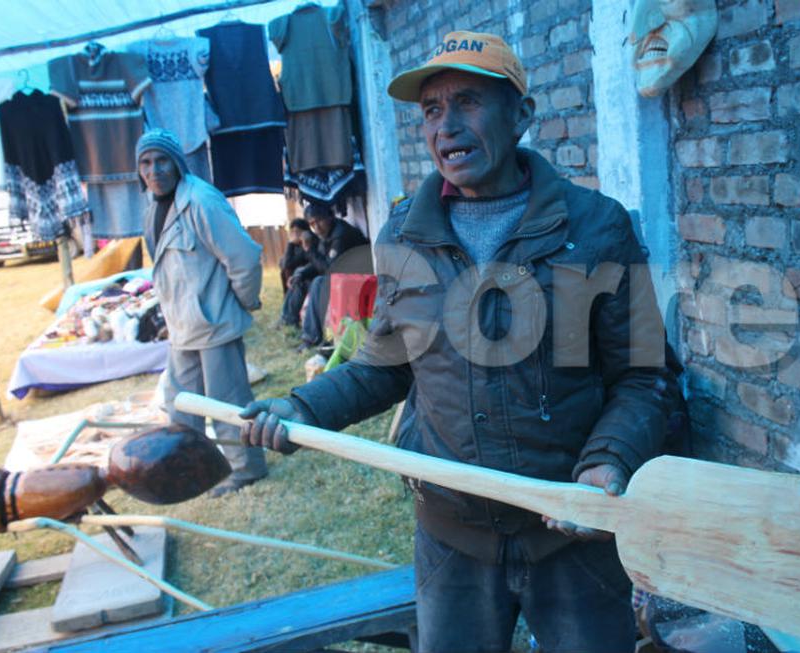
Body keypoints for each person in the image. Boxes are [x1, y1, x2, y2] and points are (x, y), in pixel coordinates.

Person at [241, 31, 679, 652]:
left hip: (572, 535)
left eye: (469, 102)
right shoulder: (404, 234)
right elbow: (386, 365)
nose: (447, 126)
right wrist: (300, 408)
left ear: (521, 115)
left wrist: (606, 465)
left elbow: (645, 375)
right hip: (453, 537)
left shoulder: (595, 227)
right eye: (432, 110)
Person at [137, 128, 267, 498]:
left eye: (162, 160)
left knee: (228, 405)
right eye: (146, 163)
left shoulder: (201, 201)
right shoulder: (152, 206)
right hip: (182, 327)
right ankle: (190, 468)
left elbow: (243, 257)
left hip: (214, 324)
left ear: (177, 162)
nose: (154, 170)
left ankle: (246, 470)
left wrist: (245, 301)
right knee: (180, 406)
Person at [295, 203, 370, 347]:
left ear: (330, 216)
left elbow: (329, 269)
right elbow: (322, 261)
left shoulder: (340, 234)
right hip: (344, 276)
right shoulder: (327, 233)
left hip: (362, 276)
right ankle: (297, 324)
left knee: (318, 283)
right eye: (312, 224)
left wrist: (310, 250)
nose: (316, 227)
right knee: (302, 278)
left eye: (319, 221)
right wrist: (302, 273)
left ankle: (311, 337)